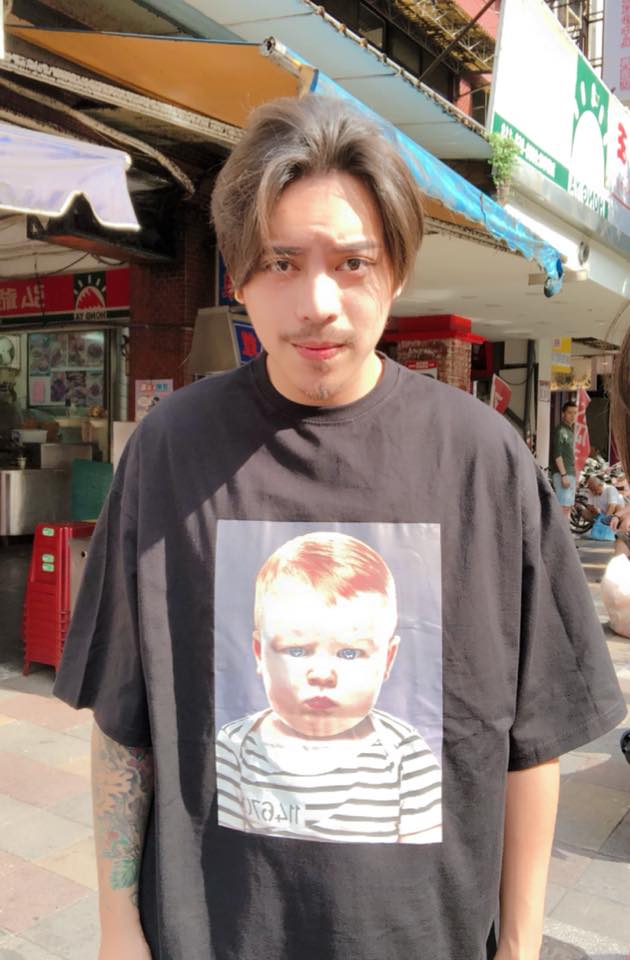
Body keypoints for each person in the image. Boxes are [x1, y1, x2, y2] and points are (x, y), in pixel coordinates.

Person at [54, 95, 625, 960]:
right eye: (281, 262)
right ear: (239, 274)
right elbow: (122, 719)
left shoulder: (485, 460)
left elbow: (531, 736)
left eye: (354, 262)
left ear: (397, 270)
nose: (317, 302)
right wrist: (116, 929)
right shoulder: (169, 450)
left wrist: (520, 945)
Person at [216, 531, 442, 844]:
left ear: (388, 659)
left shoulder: (406, 756)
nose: (322, 674)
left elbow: (425, 857)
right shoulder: (235, 749)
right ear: (259, 654)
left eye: (349, 653)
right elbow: (223, 849)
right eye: (297, 650)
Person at [550, 399, 578, 517]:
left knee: (568, 507)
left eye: (575, 413)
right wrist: (563, 475)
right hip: (563, 474)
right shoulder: (560, 431)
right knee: (563, 508)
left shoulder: (570, 431)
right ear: (563, 414)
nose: (573, 416)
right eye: (569, 413)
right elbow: (557, 454)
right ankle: (560, 530)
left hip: (570, 473)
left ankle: (565, 529)